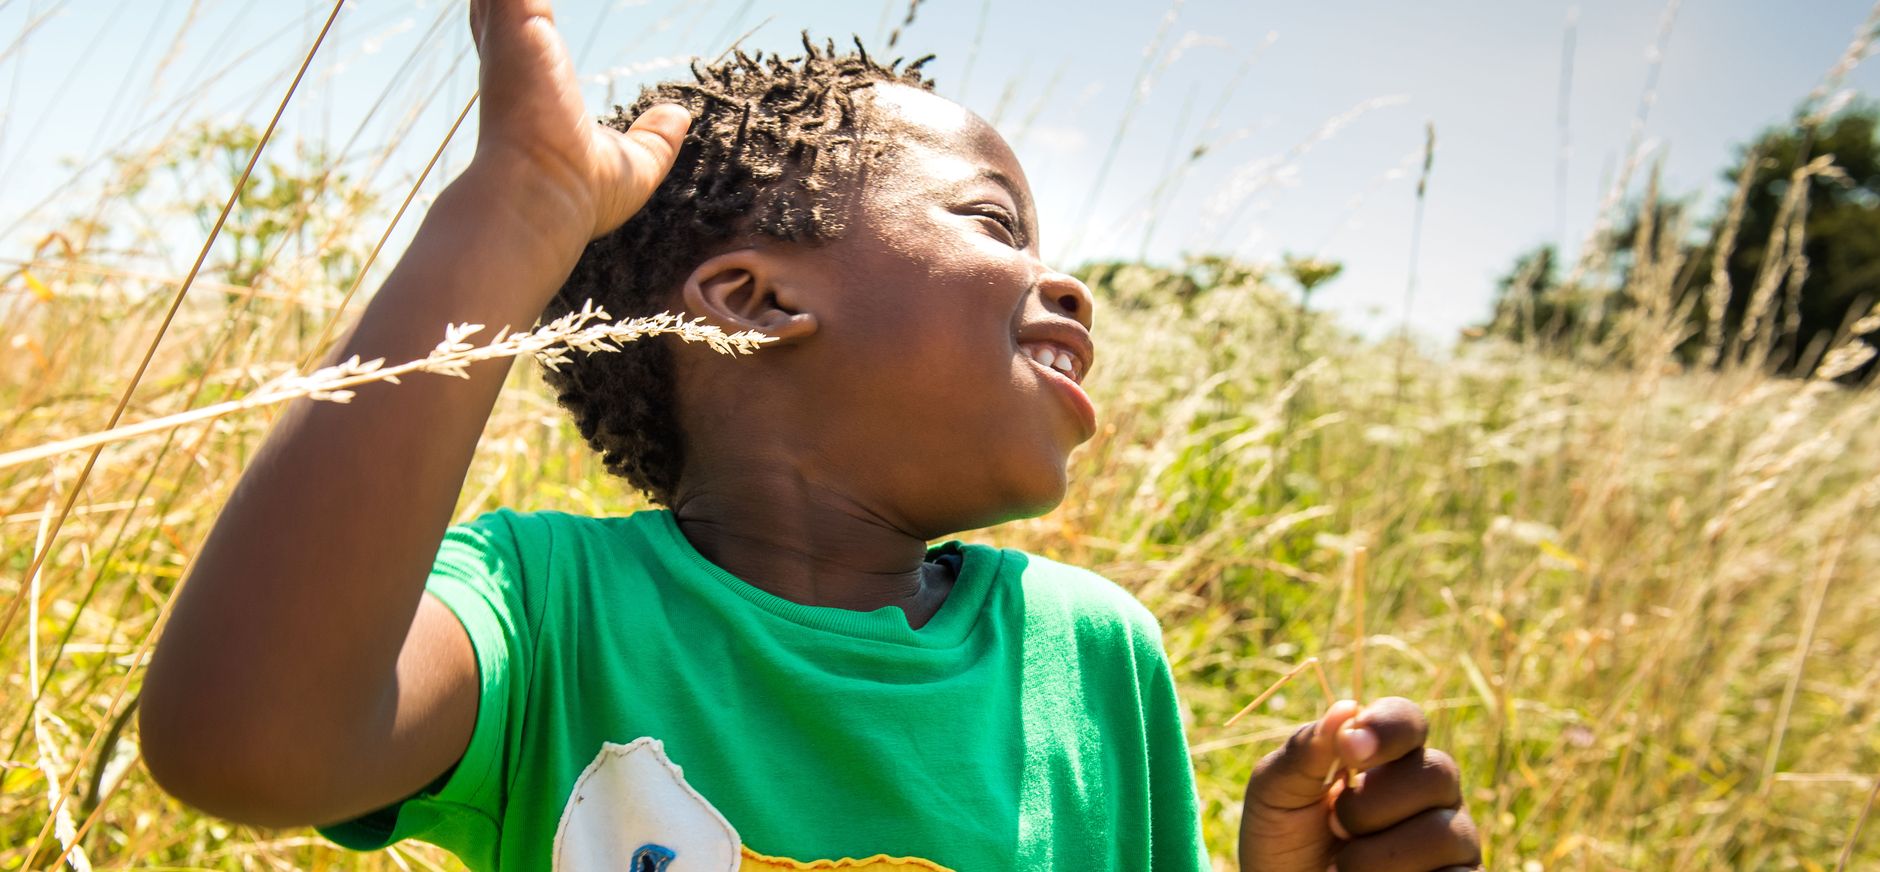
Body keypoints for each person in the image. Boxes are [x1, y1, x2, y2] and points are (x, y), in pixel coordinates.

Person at [139, 1, 1481, 869]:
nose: (1066, 284)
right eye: (995, 225)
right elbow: (242, 741)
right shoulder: (548, 613)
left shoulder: (1091, 653)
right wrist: (518, 212)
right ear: (755, 299)